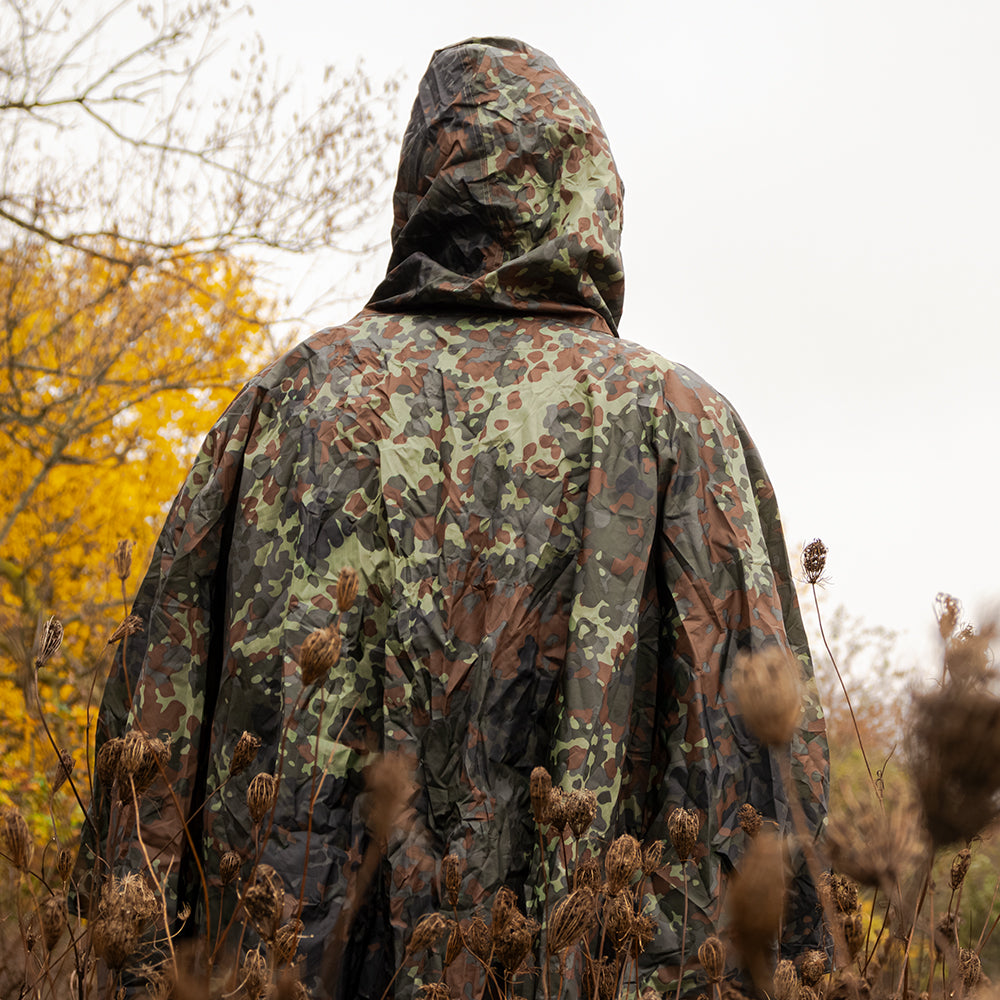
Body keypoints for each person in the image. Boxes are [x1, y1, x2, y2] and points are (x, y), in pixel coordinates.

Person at [82, 37, 828, 999]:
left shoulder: (290, 404)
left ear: (421, 194)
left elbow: (149, 731)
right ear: (586, 186)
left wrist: (123, 963)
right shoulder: (680, 421)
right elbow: (776, 769)